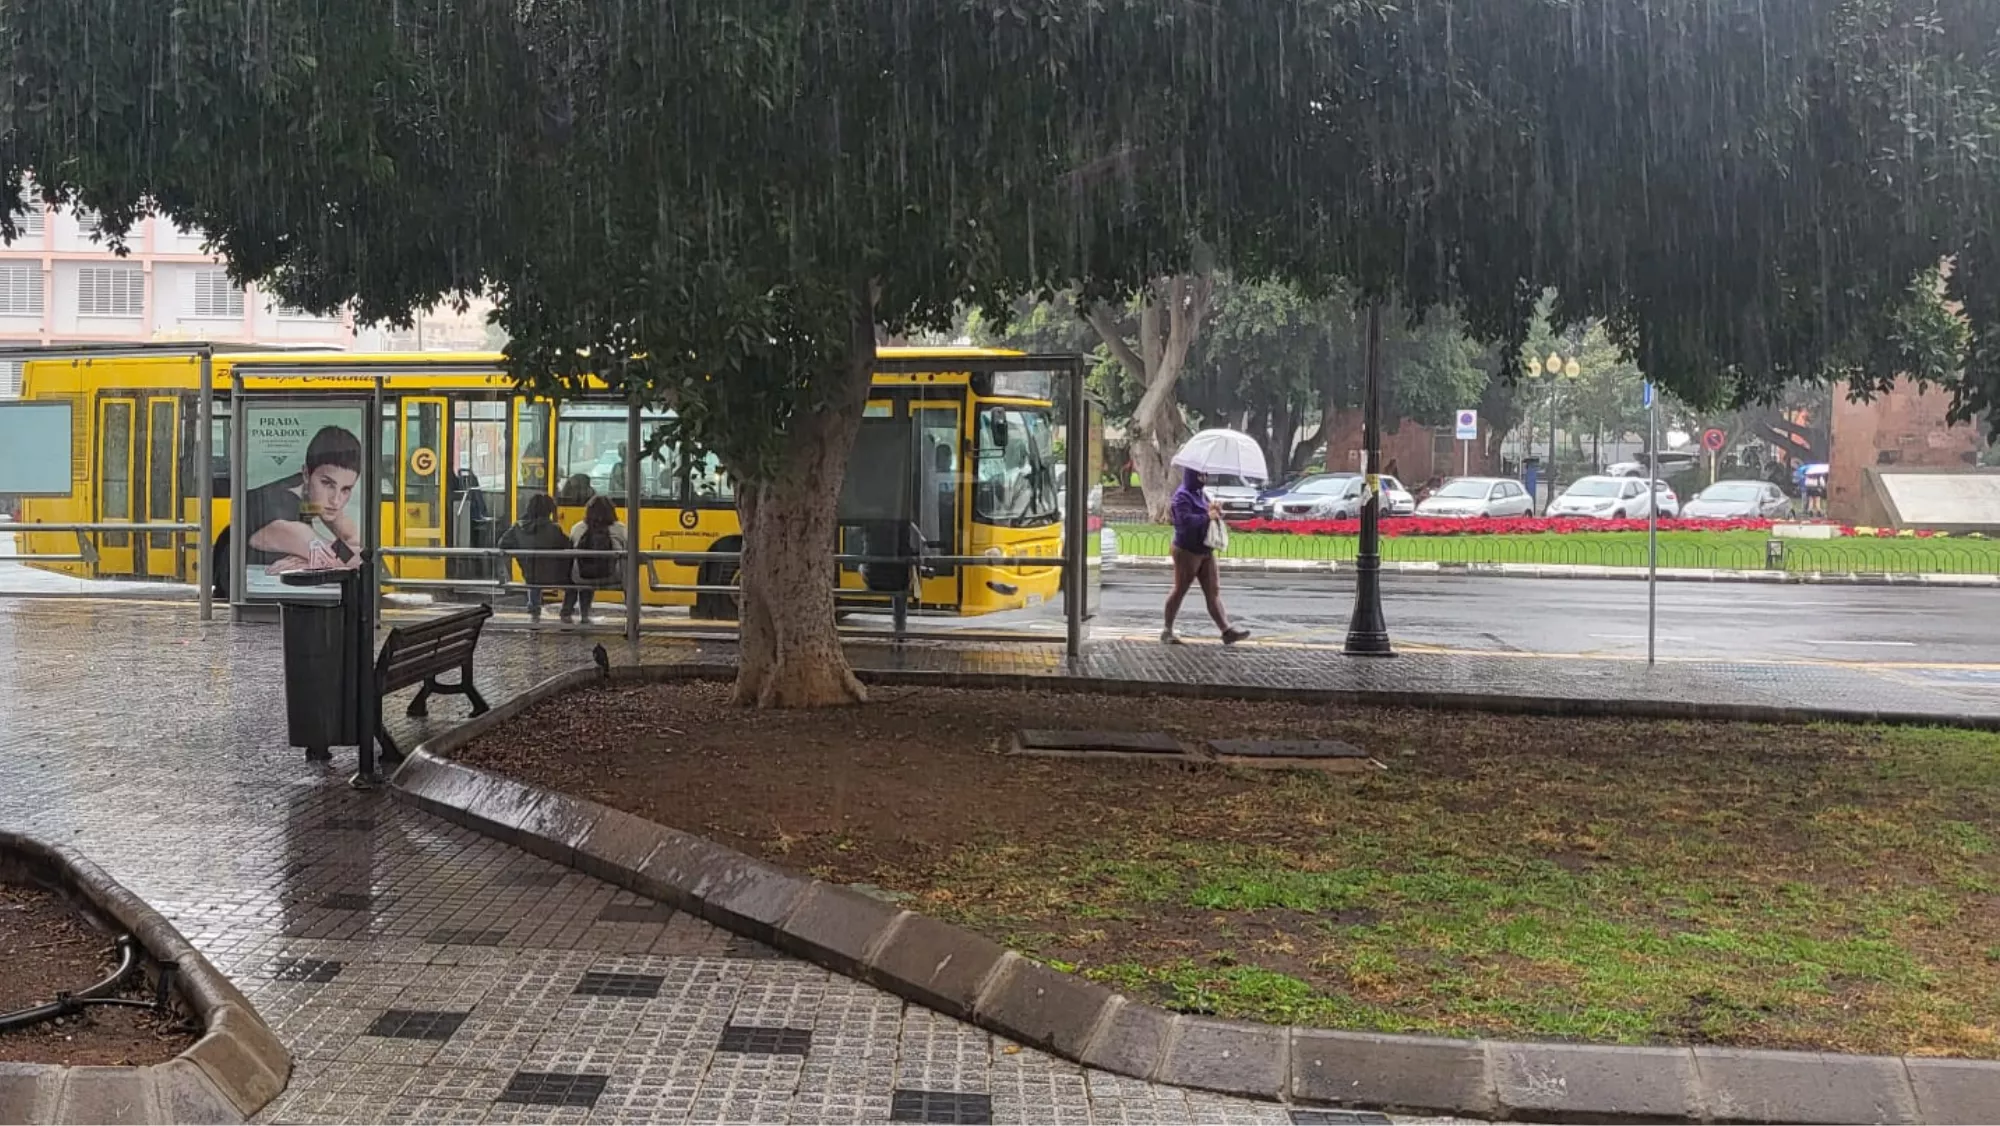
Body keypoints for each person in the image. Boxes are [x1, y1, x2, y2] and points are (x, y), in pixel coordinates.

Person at [244, 425, 364, 575]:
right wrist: (323, 559)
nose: (336, 500)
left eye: (346, 489)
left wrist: (312, 560)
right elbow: (358, 560)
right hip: (231, 587)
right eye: (327, 484)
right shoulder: (282, 508)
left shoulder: (311, 499)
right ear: (306, 474)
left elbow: (356, 542)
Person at [1162, 467, 1249, 646]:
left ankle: (1226, 630)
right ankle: (1167, 629)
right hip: (1187, 549)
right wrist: (1206, 516)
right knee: (1180, 589)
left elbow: (1208, 515)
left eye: (1206, 475)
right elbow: (1184, 522)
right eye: (1201, 475)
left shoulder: (1200, 493)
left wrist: (1216, 512)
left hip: (1205, 548)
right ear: (1192, 475)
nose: (1204, 478)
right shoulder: (1182, 496)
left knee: (1213, 590)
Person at [500, 493, 571, 622]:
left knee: (533, 578)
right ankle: (566, 613)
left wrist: (520, 555)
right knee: (573, 585)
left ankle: (534, 611)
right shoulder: (554, 529)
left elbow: (502, 543)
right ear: (549, 510)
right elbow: (568, 546)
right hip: (555, 576)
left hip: (530, 575)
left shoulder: (517, 528)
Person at [564, 494, 627, 625]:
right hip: (613, 577)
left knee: (585, 574)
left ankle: (584, 616)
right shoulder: (620, 528)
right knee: (631, 578)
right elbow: (629, 550)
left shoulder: (577, 528)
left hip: (581, 577)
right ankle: (633, 615)